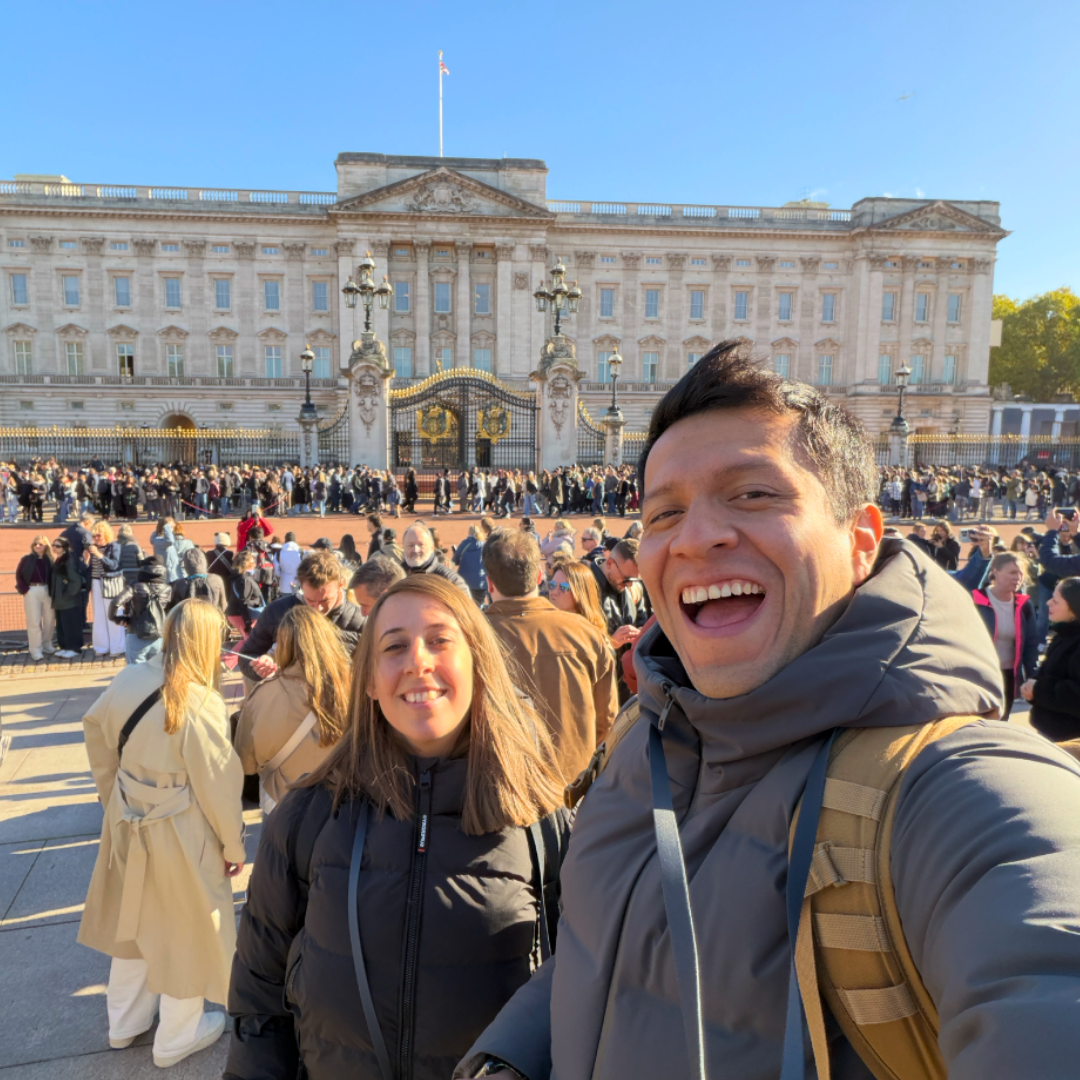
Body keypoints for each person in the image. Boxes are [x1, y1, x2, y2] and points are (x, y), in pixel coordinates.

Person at [461, 340, 1080, 1080]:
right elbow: (608, 947)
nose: (695, 538)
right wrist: (509, 1060)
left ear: (860, 542)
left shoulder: (962, 789)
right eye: (664, 514)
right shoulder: (643, 739)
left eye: (754, 494)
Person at [224, 574, 566, 1080]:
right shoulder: (307, 817)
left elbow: (582, 999)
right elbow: (259, 997)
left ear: (479, 661)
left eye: (440, 640)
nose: (418, 661)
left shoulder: (541, 821)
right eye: (395, 646)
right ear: (368, 679)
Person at [78, 599, 246, 1069]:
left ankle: (124, 1023)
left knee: (129, 923)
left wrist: (115, 798)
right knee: (185, 929)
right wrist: (233, 846)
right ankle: (177, 1033)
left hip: (129, 818)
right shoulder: (200, 701)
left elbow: (96, 736)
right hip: (179, 825)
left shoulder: (128, 677)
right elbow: (218, 786)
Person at [484, 529, 617, 783]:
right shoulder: (587, 634)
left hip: (502, 788)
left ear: (490, 583)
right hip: (574, 787)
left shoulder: (466, 636)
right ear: (538, 577)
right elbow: (607, 723)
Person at [234, 605, 350, 814]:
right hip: (341, 803)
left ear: (283, 644)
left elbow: (246, 764)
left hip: (282, 802)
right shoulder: (354, 689)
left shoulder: (262, 696)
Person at [239, 551, 365, 683]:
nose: (318, 609)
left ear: (340, 584)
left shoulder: (360, 618)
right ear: (300, 585)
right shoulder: (276, 612)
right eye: (310, 600)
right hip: (289, 699)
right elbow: (247, 655)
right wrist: (259, 668)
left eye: (325, 601)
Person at [970, 552, 1038, 719]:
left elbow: (1031, 646)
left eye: (1021, 573)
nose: (1018, 578)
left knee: (1002, 721)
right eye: (1012, 572)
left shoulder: (1024, 605)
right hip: (980, 674)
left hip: (1008, 675)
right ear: (995, 572)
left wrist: (1032, 678)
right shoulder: (976, 600)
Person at [1022, 576, 1080, 743]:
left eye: (1056, 600)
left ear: (1073, 607)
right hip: (1054, 735)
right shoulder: (1064, 634)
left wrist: (1039, 689)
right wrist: (1033, 683)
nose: (1048, 603)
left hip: (1070, 741)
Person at [109, 557, 173, 665]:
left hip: (136, 633)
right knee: (157, 672)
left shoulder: (135, 586)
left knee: (135, 673)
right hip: (159, 635)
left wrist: (115, 618)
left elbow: (115, 602)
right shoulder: (167, 588)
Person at [86, 520, 127, 657]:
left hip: (111, 583)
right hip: (96, 582)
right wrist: (86, 558)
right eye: (94, 536)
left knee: (113, 613)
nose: (96, 538)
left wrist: (98, 555)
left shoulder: (114, 546)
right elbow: (87, 567)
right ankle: (101, 647)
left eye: (99, 535)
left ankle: (118, 647)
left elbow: (114, 565)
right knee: (99, 615)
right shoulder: (92, 548)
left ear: (106, 534)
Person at [16, 534, 57, 661]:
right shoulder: (26, 559)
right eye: (35, 544)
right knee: (34, 621)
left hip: (47, 590)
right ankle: (35, 650)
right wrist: (25, 590)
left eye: (40, 544)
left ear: (46, 546)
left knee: (50, 621)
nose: (37, 546)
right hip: (32, 590)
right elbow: (19, 575)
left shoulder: (50, 560)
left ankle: (47, 645)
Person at [401, 523, 470, 593]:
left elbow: (467, 603)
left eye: (421, 545)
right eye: (410, 545)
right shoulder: (396, 577)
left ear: (432, 547)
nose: (415, 550)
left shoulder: (450, 581)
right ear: (403, 547)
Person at [48, 537, 86, 658]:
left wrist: (66, 595)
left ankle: (73, 648)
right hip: (60, 600)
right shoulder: (59, 560)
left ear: (64, 548)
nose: (55, 547)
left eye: (58, 546)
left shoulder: (68, 560)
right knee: (62, 625)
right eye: (54, 545)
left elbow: (75, 581)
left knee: (70, 625)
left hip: (69, 601)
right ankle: (64, 646)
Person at [170, 548, 227, 613]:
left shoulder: (179, 583)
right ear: (204, 561)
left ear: (186, 565)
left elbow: (174, 608)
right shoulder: (216, 579)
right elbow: (223, 605)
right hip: (212, 619)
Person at [226, 552, 266, 632]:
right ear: (246, 565)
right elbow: (243, 602)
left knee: (248, 641)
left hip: (238, 614)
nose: (254, 565)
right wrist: (248, 622)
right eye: (252, 563)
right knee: (251, 642)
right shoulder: (245, 580)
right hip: (244, 616)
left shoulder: (239, 577)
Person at [452, 524, 488, 606]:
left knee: (466, 605)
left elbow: (454, 560)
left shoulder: (464, 544)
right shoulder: (485, 546)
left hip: (464, 582)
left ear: (469, 533)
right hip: (481, 583)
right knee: (479, 605)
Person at [274, 531, 304, 595]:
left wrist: (282, 576)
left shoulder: (278, 553)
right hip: (298, 586)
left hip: (284, 585)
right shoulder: (302, 552)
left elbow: (276, 570)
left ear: (285, 540)